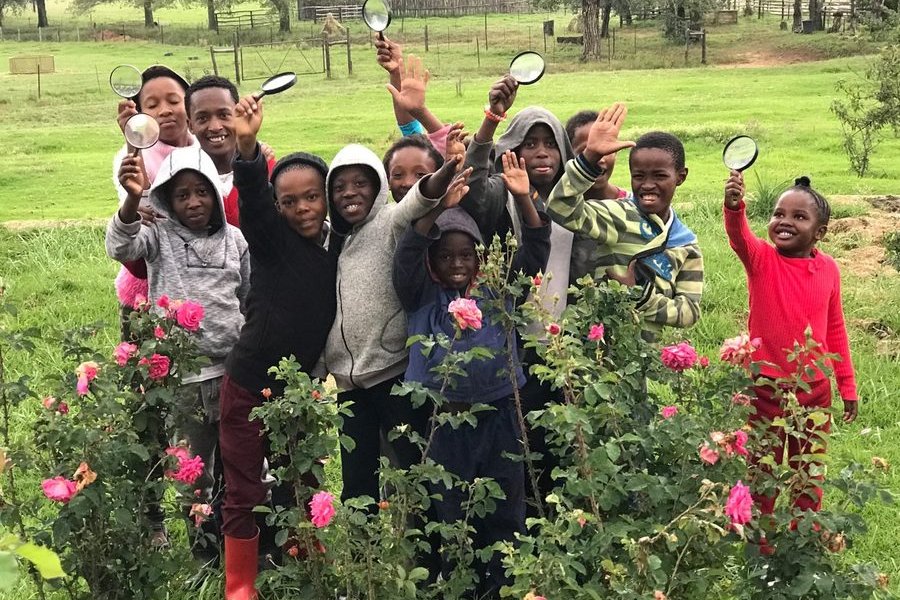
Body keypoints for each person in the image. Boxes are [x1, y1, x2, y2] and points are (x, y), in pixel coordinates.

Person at [392, 150, 549, 598]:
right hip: (446, 421)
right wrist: (437, 210)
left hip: (501, 416)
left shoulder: (498, 288)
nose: (457, 262)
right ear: (432, 260)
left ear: (482, 256)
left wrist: (524, 200)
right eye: (445, 255)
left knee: (504, 508)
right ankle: (459, 585)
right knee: (452, 508)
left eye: (467, 253)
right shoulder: (420, 293)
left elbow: (535, 251)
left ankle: (500, 586)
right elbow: (408, 254)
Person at [217, 94, 338, 600]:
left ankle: (304, 565)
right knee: (245, 488)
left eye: (311, 196)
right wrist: (247, 150)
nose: (302, 208)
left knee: (302, 481)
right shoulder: (270, 242)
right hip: (247, 388)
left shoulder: (338, 248)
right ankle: (240, 585)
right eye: (288, 201)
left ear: (326, 198)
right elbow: (254, 206)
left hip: (301, 391)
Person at [106, 145, 250, 561]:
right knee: (192, 474)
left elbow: (247, 295)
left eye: (201, 192)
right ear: (167, 197)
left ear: (216, 196)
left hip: (230, 376)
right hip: (183, 381)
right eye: (182, 194)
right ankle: (204, 558)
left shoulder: (235, 239)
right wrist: (134, 200)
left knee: (237, 467)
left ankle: (239, 550)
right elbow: (120, 247)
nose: (193, 202)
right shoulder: (157, 236)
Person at [323, 140, 464, 505]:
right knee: (356, 479)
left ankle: (427, 553)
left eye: (360, 184)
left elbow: (420, 199)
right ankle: (362, 555)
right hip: (349, 385)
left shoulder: (389, 220)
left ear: (379, 188)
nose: (349, 193)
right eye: (339, 187)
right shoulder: (335, 238)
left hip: (392, 375)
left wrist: (446, 170)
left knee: (412, 471)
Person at [723, 172, 858, 520]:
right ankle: (760, 541)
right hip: (765, 390)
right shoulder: (762, 261)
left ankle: (805, 536)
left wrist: (847, 384)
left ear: (820, 232)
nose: (784, 222)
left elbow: (836, 327)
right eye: (779, 214)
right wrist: (734, 206)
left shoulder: (829, 269)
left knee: (807, 471)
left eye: (799, 217)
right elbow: (739, 238)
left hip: (813, 392)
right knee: (762, 470)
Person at [546, 104, 704, 341]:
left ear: (680, 177)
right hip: (596, 350)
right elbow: (559, 206)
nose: (648, 185)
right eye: (639, 176)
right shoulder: (618, 215)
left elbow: (690, 312)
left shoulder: (686, 244)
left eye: (660, 176)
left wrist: (639, 296)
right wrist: (590, 158)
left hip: (641, 360)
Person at [185, 75, 278, 227]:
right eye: (202, 118)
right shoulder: (181, 181)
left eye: (224, 115)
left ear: (238, 115)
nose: (215, 127)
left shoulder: (269, 170)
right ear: (190, 125)